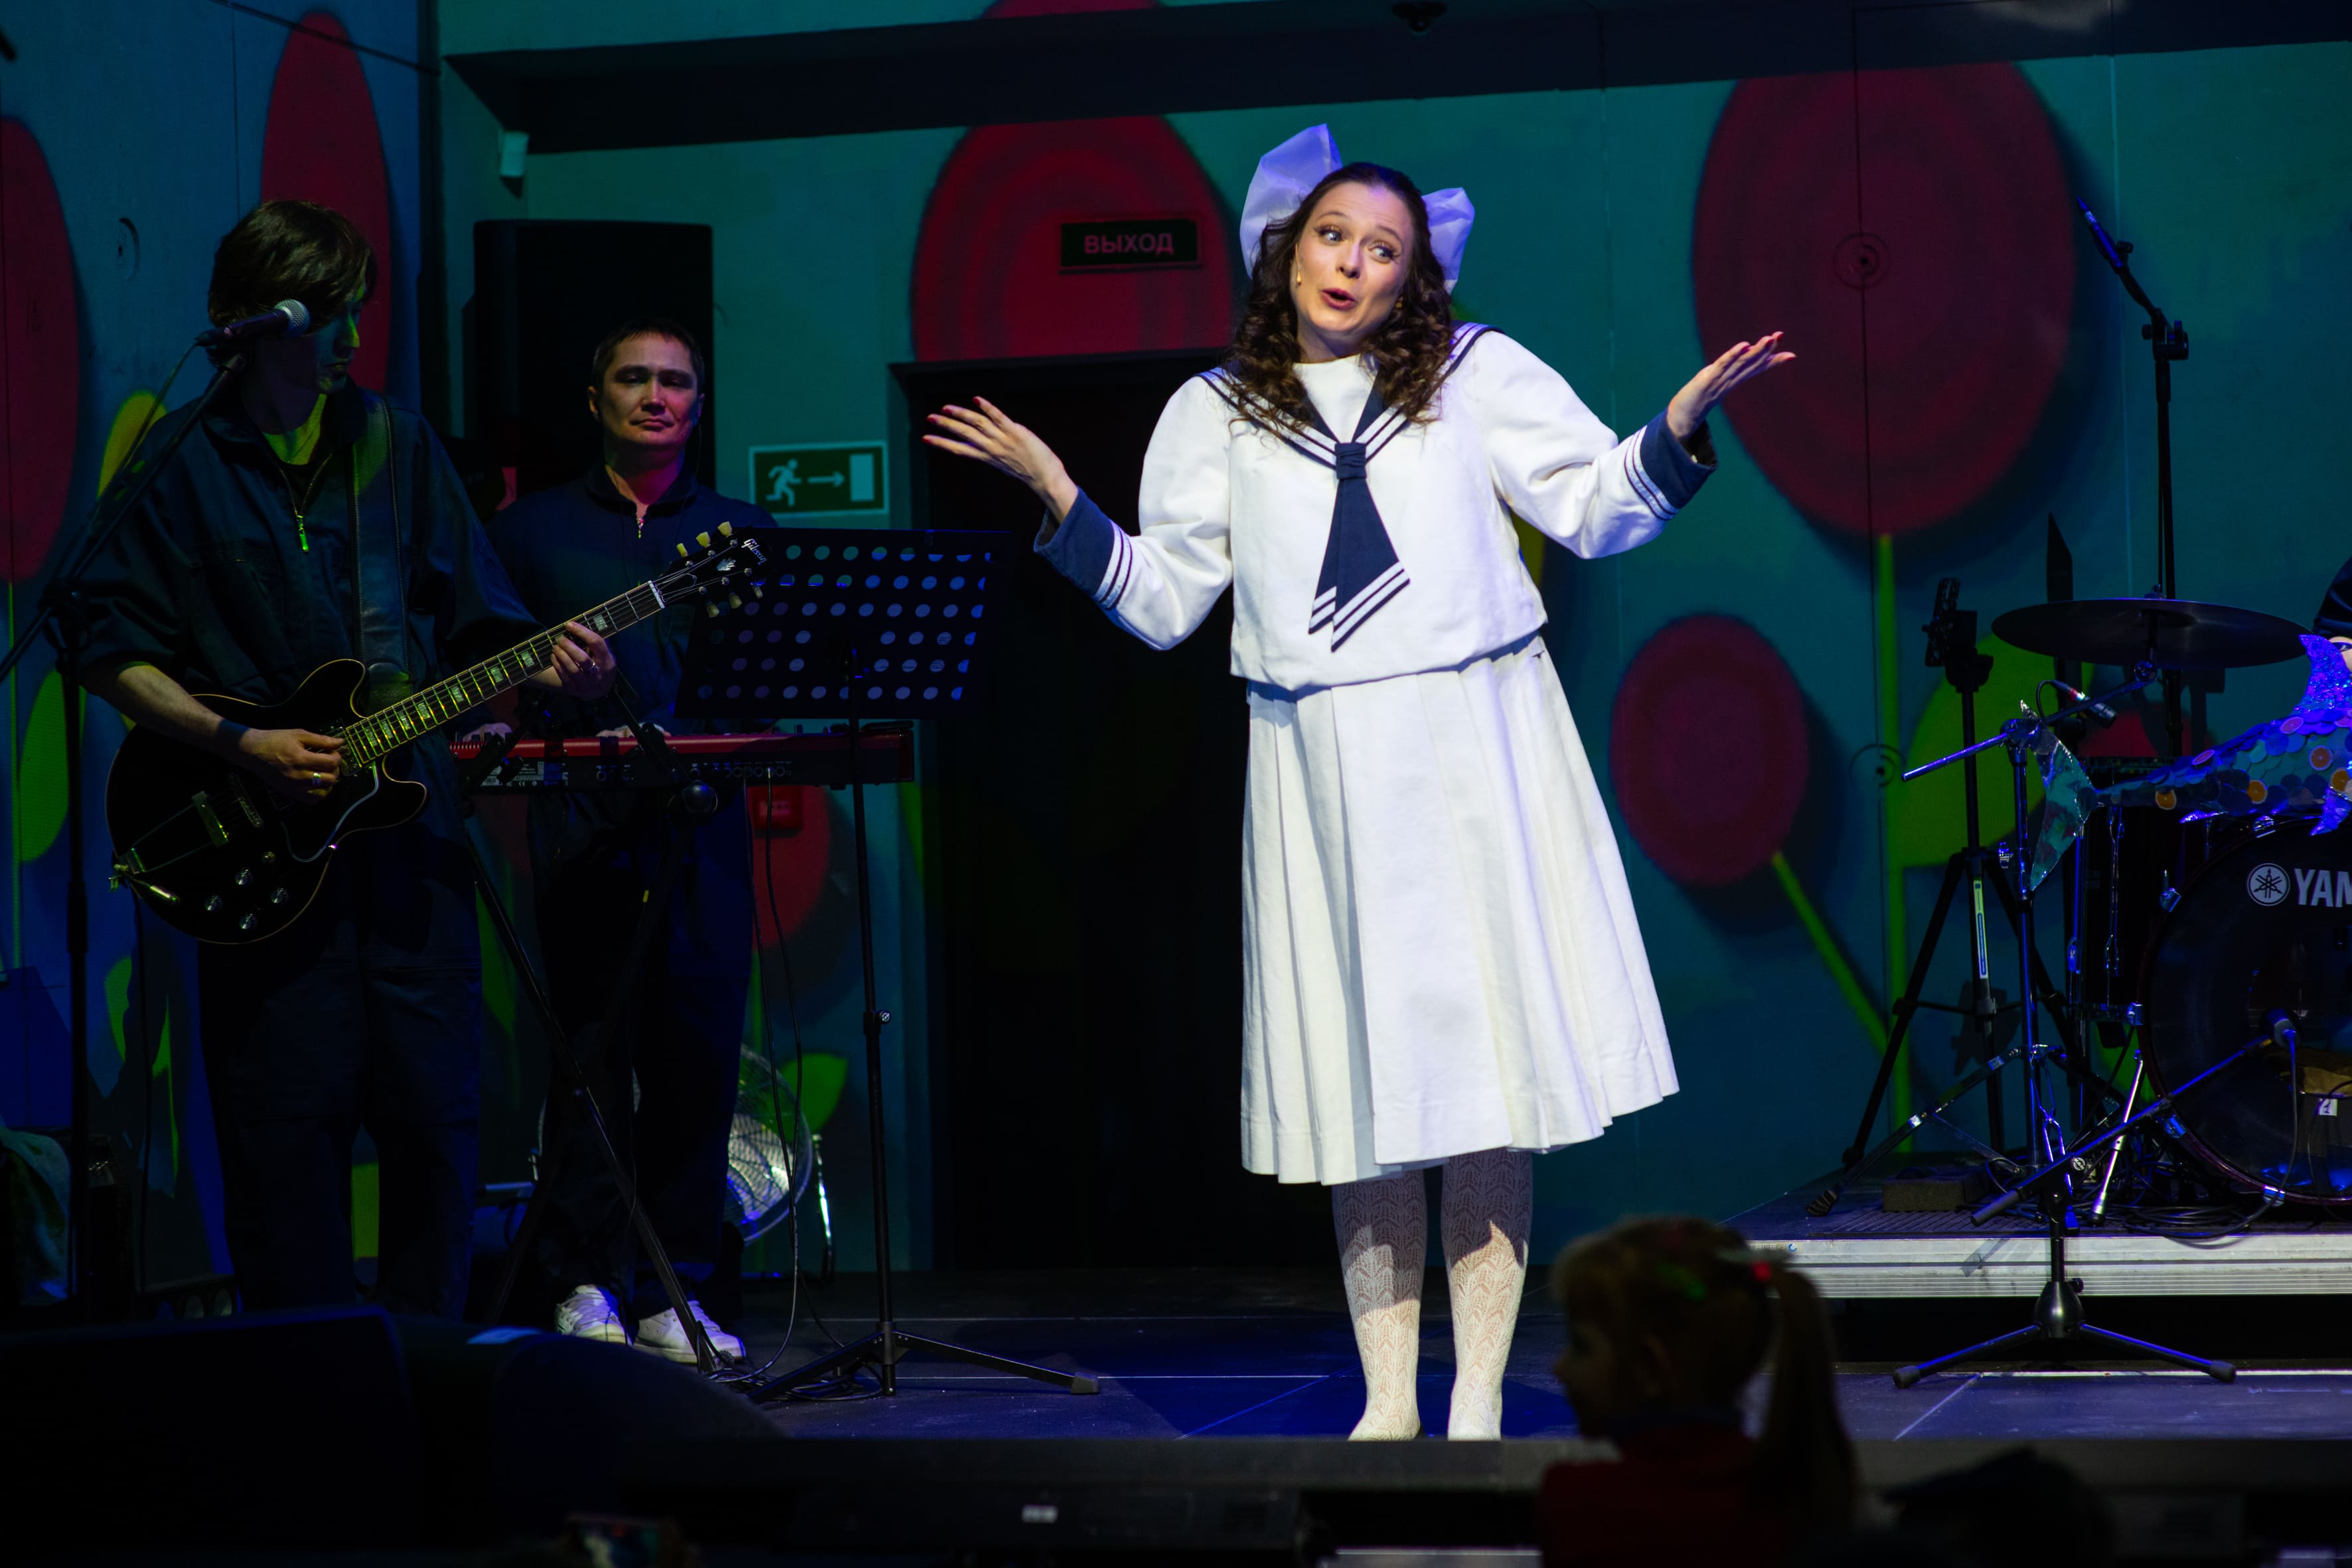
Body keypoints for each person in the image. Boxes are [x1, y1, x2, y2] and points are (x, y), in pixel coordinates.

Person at [925, 125, 1791, 1439]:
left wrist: (1672, 429)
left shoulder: (1472, 372)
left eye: (1382, 249)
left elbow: (1592, 505)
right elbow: (1163, 601)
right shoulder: (1213, 410)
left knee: (1487, 1082)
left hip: (1474, 740)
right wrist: (1058, 496)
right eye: (1332, 236)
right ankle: (1388, 1401)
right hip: (1319, 763)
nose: (1351, 263)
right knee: (1362, 1094)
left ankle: (1477, 1395)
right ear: (1284, 250)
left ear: (1412, 276)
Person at [76, 199, 616, 1317]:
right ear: (255, 321)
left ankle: (425, 1385)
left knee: (434, 1140)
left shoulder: (399, 448)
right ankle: (307, 1392)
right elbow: (104, 644)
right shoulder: (178, 461)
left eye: (357, 314)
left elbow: (481, 631)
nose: (353, 341)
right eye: (330, 318)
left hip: (411, 864)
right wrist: (240, 743)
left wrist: (544, 673)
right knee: (282, 1158)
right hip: (262, 874)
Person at [467, 318, 761, 1362]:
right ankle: (586, 1280)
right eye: (633, 377)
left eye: (674, 381)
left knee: (697, 1062)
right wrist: (544, 679)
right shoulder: (527, 530)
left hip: (704, 829)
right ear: (594, 398)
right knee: (588, 1060)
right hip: (581, 827)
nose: (654, 395)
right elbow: (479, 674)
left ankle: (676, 1289)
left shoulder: (739, 530)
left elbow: (766, 684)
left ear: (698, 405)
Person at [1541, 1216, 1854, 1564]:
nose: (1559, 1369)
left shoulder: (1581, 1501)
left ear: (1650, 1366)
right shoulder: (1797, 1496)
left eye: (1581, 1347)